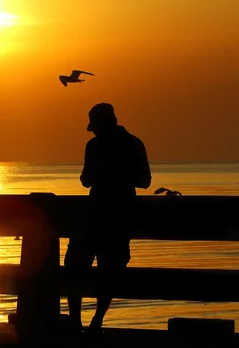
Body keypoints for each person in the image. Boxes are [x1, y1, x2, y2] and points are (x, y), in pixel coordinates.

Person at [64, 102, 151, 335]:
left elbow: (86, 180)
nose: (93, 132)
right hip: (116, 216)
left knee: (83, 268)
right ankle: (89, 322)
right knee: (103, 271)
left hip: (104, 215)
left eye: (95, 127)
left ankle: (87, 322)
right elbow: (144, 180)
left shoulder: (98, 145)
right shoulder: (131, 143)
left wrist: (109, 172)